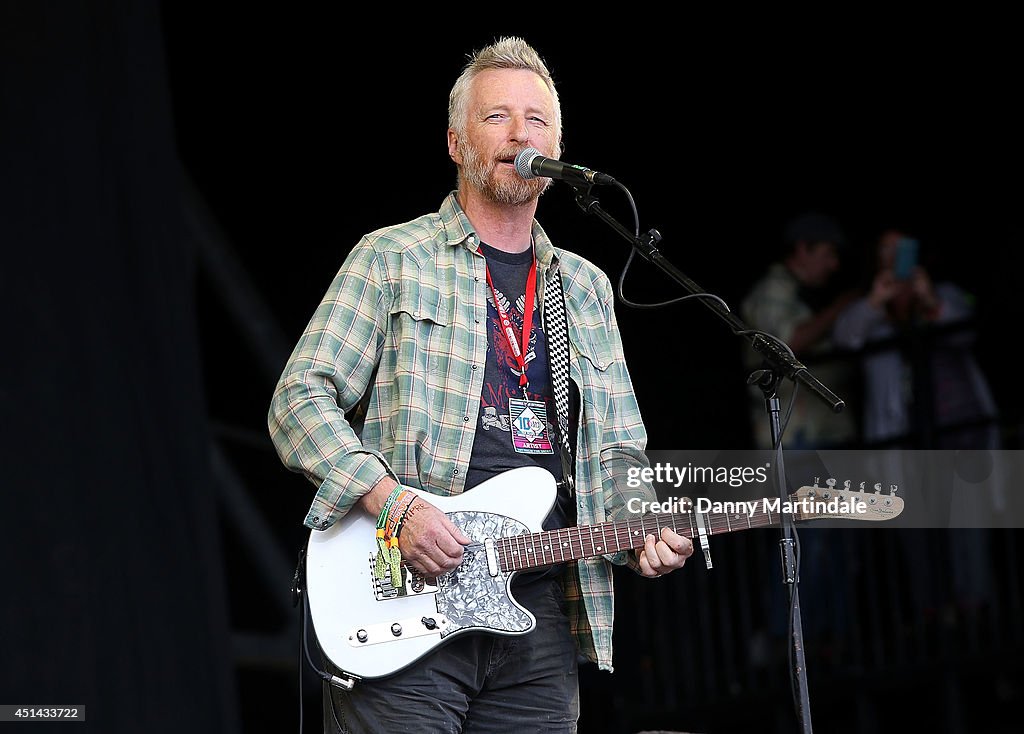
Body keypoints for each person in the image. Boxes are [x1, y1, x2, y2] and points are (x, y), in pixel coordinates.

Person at [268, 37, 693, 733]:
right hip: (404, 599)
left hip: (536, 615)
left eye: (537, 119)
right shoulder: (392, 258)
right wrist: (394, 505)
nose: (521, 133)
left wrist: (643, 530)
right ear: (456, 143)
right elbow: (298, 401)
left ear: (558, 145)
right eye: (497, 117)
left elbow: (621, 452)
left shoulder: (582, 289)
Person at [832, 228, 999, 448]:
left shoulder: (945, 293)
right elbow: (844, 339)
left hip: (962, 426)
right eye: (886, 248)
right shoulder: (871, 310)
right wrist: (875, 301)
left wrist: (930, 302)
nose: (894, 255)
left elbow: (966, 336)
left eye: (902, 248)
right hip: (904, 436)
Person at [740, 212, 859, 449]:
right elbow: (785, 344)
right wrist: (840, 308)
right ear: (803, 249)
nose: (834, 265)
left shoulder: (809, 290)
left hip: (827, 428)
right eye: (828, 254)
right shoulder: (772, 291)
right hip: (795, 432)